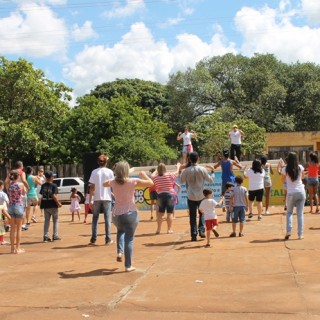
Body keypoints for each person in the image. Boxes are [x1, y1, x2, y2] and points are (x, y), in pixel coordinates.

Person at [103, 161, 153, 272]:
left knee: (120, 231)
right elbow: (151, 183)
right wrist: (143, 175)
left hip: (116, 214)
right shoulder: (132, 181)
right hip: (130, 213)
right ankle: (128, 265)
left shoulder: (113, 182)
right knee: (129, 239)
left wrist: (117, 176)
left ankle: (119, 252)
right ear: (127, 171)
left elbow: (104, 183)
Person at [180, 152, 214, 241]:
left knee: (192, 215)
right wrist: (213, 172)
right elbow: (210, 180)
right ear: (198, 158)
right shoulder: (202, 169)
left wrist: (180, 170)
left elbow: (181, 181)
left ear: (189, 159)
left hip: (191, 195)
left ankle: (193, 234)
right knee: (202, 213)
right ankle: (201, 230)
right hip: (201, 195)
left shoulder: (186, 170)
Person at [88, 154, 114, 245]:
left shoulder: (94, 172)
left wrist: (90, 200)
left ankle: (93, 239)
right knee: (107, 219)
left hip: (97, 198)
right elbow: (112, 185)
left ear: (98, 162)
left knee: (95, 219)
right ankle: (108, 239)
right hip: (107, 198)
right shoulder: (110, 172)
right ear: (106, 162)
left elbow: (92, 187)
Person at [281, 152, 306, 240]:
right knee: (300, 214)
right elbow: (302, 178)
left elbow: (282, 179)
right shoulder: (300, 167)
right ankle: (300, 234)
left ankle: (288, 231)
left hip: (291, 193)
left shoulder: (285, 169)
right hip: (301, 192)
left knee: (289, 212)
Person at [151, 162, 181, 234]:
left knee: (160, 213)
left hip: (160, 195)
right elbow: (177, 173)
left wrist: (156, 170)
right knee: (169, 213)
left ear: (158, 169)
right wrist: (178, 166)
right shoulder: (170, 175)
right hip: (170, 194)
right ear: (165, 169)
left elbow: (152, 175)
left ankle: (158, 229)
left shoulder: (155, 177)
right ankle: (169, 229)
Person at [40, 171, 62, 242]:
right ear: (51, 177)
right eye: (53, 176)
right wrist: (58, 203)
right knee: (55, 220)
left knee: (46, 221)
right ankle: (55, 236)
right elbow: (53, 195)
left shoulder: (43, 185)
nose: (53, 177)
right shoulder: (54, 185)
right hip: (53, 205)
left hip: (45, 205)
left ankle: (46, 236)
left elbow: (41, 195)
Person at [7, 170, 26, 253]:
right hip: (18, 205)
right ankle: (17, 248)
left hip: (10, 206)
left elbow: (6, 182)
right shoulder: (20, 184)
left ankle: (12, 249)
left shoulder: (9, 185)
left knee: (12, 229)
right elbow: (24, 193)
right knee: (18, 228)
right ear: (18, 177)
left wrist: (8, 176)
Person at [0, 180, 10, 245]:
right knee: (1, 226)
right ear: (1, 186)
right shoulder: (3, 194)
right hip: (1, 209)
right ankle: (2, 240)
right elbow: (7, 202)